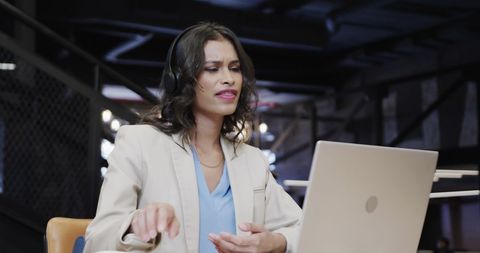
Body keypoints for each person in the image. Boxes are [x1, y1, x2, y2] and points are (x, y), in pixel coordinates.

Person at [83, 22, 302, 253]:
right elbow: (97, 240)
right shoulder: (139, 143)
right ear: (183, 79)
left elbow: (305, 228)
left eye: (235, 68)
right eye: (212, 68)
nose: (229, 78)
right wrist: (135, 226)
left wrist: (277, 242)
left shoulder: (253, 161)